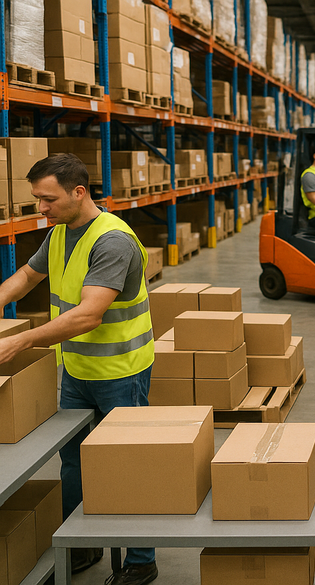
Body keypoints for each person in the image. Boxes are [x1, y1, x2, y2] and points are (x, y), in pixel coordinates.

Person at [0, 154, 158, 584]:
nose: (41, 208)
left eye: (47, 199)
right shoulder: (58, 234)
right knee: (73, 463)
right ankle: (81, 544)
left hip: (120, 374)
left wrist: (20, 340)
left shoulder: (112, 240)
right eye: (37, 199)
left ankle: (141, 560)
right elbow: (25, 279)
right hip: (77, 369)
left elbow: (89, 315)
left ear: (79, 192)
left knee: (122, 464)